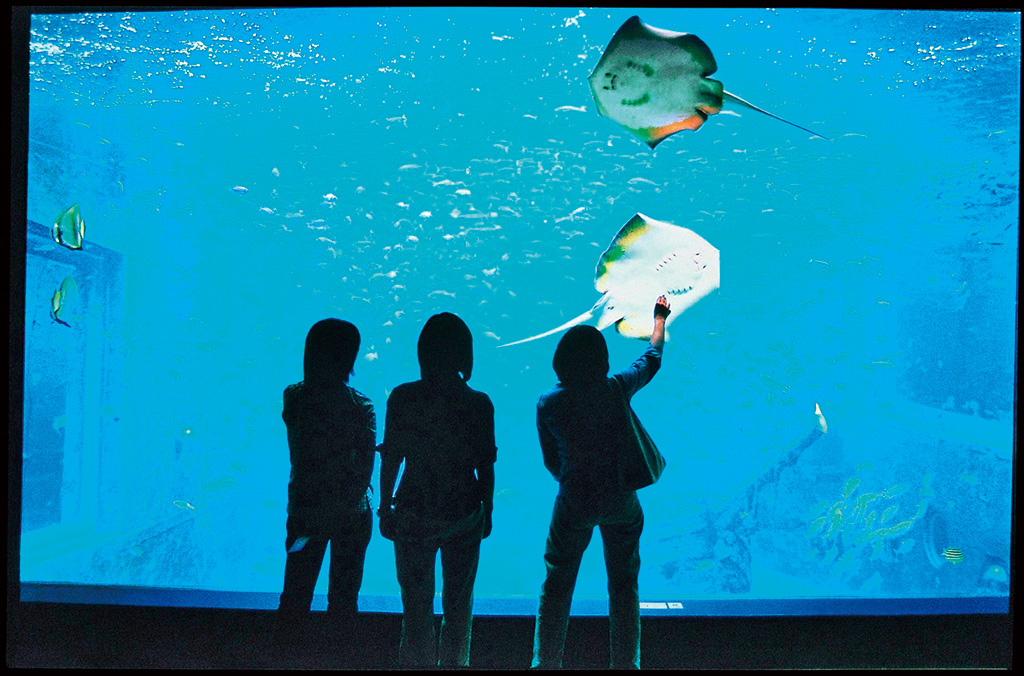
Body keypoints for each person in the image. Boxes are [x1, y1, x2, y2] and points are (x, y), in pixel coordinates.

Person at [532, 295, 672, 670]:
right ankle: (627, 665)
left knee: (557, 584)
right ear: (602, 362)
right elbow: (650, 360)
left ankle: (545, 664)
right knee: (624, 586)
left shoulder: (548, 403)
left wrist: (572, 483)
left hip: (574, 499)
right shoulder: (614, 388)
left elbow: (550, 460)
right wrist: (658, 319)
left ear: (560, 363)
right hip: (619, 499)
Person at [377, 312, 497, 667]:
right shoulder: (479, 403)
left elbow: (391, 460)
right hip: (463, 513)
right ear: (465, 353)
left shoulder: (402, 397)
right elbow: (485, 466)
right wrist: (487, 511)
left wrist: (385, 509)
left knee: (415, 605)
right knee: (459, 605)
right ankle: (454, 666)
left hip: (414, 513)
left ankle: (416, 666)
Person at [277, 319, 376, 630]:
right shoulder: (361, 406)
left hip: (306, 511)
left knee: (295, 594)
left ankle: (287, 657)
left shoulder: (294, 397)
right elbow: (364, 469)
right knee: (344, 599)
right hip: (352, 515)